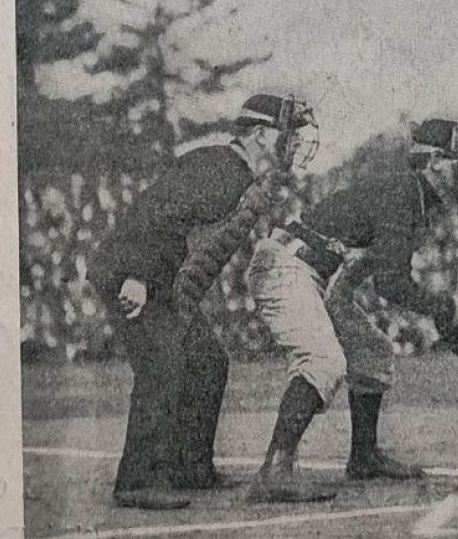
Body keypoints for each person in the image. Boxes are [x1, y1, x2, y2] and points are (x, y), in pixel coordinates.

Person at [245, 118, 458, 503]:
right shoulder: (404, 194)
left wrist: (444, 309)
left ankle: (363, 456)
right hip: (289, 264)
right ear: (433, 162)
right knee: (323, 360)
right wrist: (447, 308)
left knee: (372, 353)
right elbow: (390, 283)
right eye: (457, 158)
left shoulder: (415, 197)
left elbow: (374, 270)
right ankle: (275, 468)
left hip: (315, 272)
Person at [88, 94, 318, 510]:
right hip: (131, 271)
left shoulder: (231, 171)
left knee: (208, 360)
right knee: (162, 362)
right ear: (262, 135)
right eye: (286, 135)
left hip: (155, 274)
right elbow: (156, 214)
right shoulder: (222, 171)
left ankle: (190, 468)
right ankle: (136, 480)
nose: (293, 144)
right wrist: (137, 277)